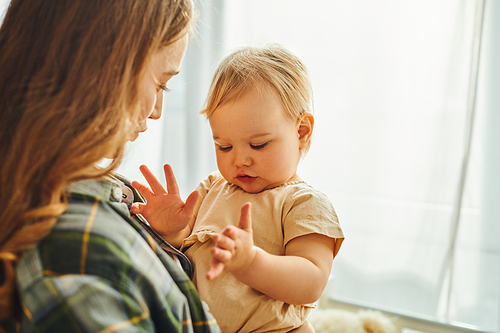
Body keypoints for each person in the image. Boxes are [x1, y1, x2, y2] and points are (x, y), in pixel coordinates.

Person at [0, 0, 221, 332]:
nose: (157, 111)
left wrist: (168, 243)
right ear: (101, 68)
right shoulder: (73, 262)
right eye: (160, 83)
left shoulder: (104, 193)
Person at [131, 44, 345, 332]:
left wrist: (250, 263)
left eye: (258, 145)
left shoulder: (304, 203)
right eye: (224, 146)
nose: (240, 160)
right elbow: (188, 255)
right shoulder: (212, 188)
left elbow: (312, 281)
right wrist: (173, 231)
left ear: (301, 131)